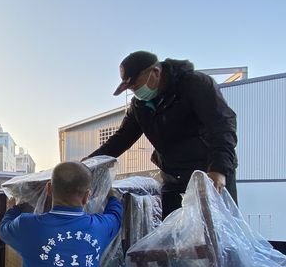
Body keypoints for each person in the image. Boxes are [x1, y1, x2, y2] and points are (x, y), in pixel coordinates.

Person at [86, 50, 238, 218]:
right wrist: (86, 166)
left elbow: (222, 125)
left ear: (155, 72)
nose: (135, 91)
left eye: (136, 86)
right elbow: (120, 140)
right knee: (173, 235)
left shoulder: (194, 84)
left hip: (207, 174)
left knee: (217, 233)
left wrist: (219, 169)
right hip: (173, 177)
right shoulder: (140, 106)